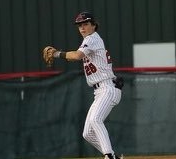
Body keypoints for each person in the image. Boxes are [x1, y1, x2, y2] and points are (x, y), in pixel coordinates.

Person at [43, 12, 123, 159]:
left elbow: (76, 56)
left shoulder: (92, 38)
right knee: (88, 133)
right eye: (79, 25)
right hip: (100, 91)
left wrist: (56, 54)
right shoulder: (89, 41)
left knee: (95, 120)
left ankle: (109, 156)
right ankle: (112, 156)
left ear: (93, 25)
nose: (82, 27)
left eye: (86, 24)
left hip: (107, 88)